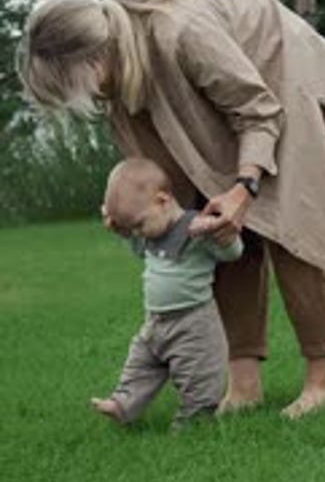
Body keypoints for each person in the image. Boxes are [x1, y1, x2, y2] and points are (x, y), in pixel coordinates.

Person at [18, 0, 325, 418]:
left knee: (294, 229)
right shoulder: (119, 62)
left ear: (94, 57)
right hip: (218, 93)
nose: (91, 100)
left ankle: (321, 382)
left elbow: (259, 110)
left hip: (275, 79)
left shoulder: (180, 30)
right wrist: (143, 215)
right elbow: (170, 201)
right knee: (208, 227)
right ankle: (244, 384)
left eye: (79, 85)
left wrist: (244, 186)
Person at [91, 156, 243, 429]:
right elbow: (140, 251)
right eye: (132, 229)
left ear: (162, 201)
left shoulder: (196, 227)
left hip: (194, 322)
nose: (138, 233)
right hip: (155, 322)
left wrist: (224, 235)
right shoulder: (150, 233)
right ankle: (122, 404)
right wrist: (124, 234)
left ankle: (193, 423)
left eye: (138, 225)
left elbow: (233, 254)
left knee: (200, 376)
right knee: (140, 365)